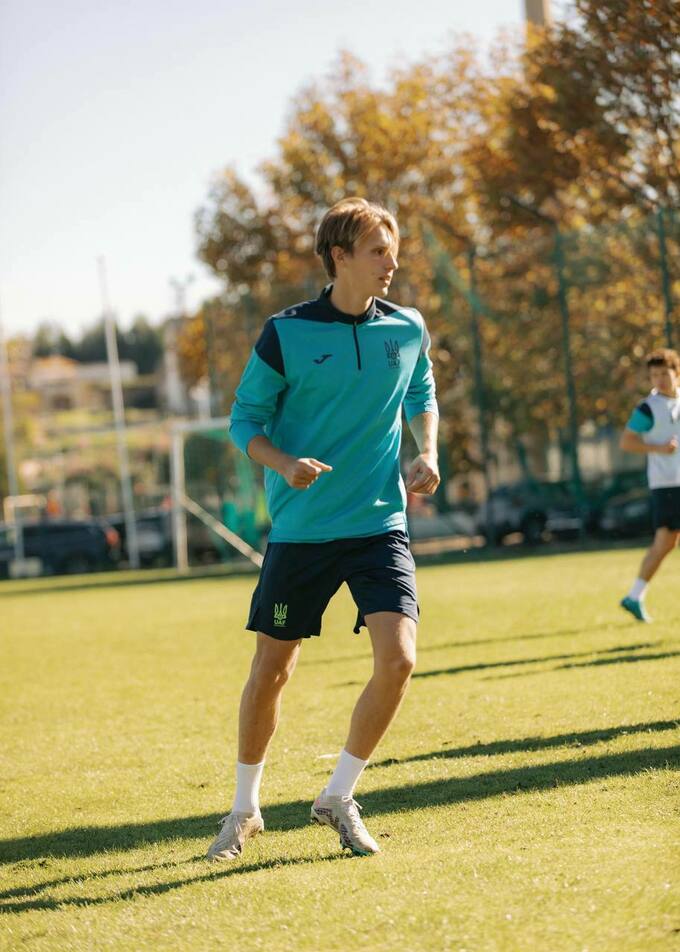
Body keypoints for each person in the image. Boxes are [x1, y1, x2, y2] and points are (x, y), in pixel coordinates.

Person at [206, 197, 439, 861]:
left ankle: (338, 795)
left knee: (400, 659)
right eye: (378, 252)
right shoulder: (286, 334)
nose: (391, 264)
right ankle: (245, 809)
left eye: (393, 251)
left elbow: (422, 392)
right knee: (272, 671)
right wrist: (284, 463)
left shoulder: (408, 328)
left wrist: (427, 450)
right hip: (302, 531)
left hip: (378, 524)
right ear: (339, 257)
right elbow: (244, 421)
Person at [619, 347, 680, 622]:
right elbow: (627, 441)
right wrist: (659, 448)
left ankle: (634, 596)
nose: (660, 380)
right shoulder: (648, 408)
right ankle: (634, 596)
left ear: (676, 374)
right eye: (654, 375)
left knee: (666, 543)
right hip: (667, 484)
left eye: (664, 374)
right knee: (664, 542)